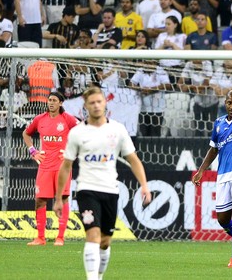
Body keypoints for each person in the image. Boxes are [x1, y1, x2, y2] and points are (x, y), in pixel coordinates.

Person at [53, 87, 152, 280]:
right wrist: (58, 198)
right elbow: (66, 167)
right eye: (92, 103)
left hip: (110, 190)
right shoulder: (77, 133)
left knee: (105, 241)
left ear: (105, 102)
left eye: (99, 101)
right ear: (86, 106)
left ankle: (98, 276)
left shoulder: (117, 129)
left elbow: (133, 160)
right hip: (86, 190)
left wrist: (144, 186)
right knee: (93, 235)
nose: (96, 105)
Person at [191, 64, 232, 268]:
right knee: (222, 219)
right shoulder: (219, 123)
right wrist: (201, 170)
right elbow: (213, 149)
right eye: (229, 102)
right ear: (225, 102)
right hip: (223, 175)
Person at [24, 91, 80, 246]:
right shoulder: (39, 119)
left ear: (61, 103)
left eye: (54, 100)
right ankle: (40, 238)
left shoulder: (68, 119)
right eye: (49, 100)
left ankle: (60, 237)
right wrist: (33, 151)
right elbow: (26, 134)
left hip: (62, 166)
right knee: (40, 200)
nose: (51, 103)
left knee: (62, 199)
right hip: (45, 166)